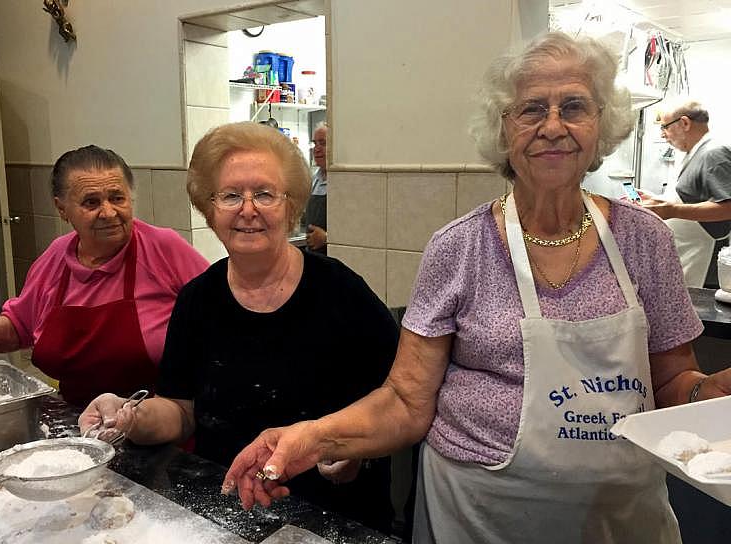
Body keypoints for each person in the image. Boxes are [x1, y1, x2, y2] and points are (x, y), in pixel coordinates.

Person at [222, 33, 731, 544]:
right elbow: (405, 400)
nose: (553, 126)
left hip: (616, 517)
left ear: (602, 126)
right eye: (531, 110)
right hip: (481, 515)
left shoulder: (646, 240)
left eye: (573, 106)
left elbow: (672, 381)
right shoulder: (458, 248)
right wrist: (310, 437)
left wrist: (708, 394)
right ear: (503, 130)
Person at [79, 122, 398, 532]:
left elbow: (399, 401)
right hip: (226, 510)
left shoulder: (343, 292)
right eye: (231, 195)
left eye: (264, 194)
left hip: (334, 517)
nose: (248, 210)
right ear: (209, 210)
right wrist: (129, 415)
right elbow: (180, 411)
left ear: (291, 205)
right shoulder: (197, 300)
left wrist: (355, 449)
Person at [0, 145, 208, 406]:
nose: (108, 212)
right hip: (76, 425)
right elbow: (20, 328)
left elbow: (223, 312)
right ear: (62, 208)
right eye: (91, 202)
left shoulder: (163, 248)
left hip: (164, 425)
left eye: (117, 198)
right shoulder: (56, 257)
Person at [640, 100, 731, 287]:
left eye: (665, 127)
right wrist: (657, 201)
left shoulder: (713, 153)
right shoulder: (694, 153)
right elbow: (690, 199)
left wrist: (672, 210)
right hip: (688, 255)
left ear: (685, 123)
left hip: (704, 263)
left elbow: (728, 207)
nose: (663, 134)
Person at [304, 124, 328, 253]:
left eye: (323, 143)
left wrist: (326, 237)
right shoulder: (314, 179)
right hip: (313, 254)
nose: (317, 149)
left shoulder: (343, 184)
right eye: (315, 144)